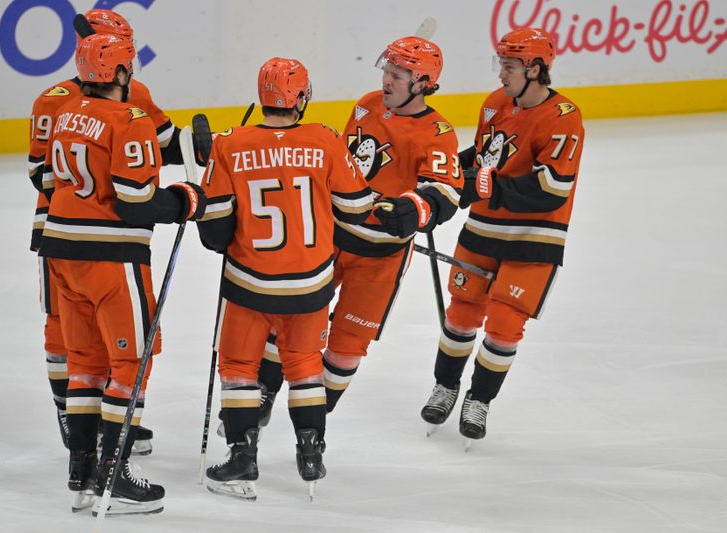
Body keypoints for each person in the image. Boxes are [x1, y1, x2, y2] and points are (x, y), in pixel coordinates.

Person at [39, 33, 206, 515]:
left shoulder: (66, 113)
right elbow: (136, 203)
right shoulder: (129, 119)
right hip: (110, 257)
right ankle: (115, 477)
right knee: (130, 365)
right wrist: (186, 201)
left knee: (86, 364)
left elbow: (47, 180)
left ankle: (82, 474)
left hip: (61, 251)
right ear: (119, 74)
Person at [253, 36, 462, 421]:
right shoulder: (366, 105)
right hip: (330, 238)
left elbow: (446, 191)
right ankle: (264, 393)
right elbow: (340, 162)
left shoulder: (438, 132)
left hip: (381, 257)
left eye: (398, 74)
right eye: (387, 69)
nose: (387, 80)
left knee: (348, 345)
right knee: (288, 315)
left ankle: (313, 420)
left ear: (422, 82)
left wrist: (414, 207)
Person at [197, 57, 374, 500]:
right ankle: (310, 451)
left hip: (249, 283)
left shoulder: (231, 144)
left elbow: (213, 231)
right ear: (301, 97)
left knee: (239, 368)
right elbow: (356, 209)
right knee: (305, 366)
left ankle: (242, 458)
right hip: (311, 286)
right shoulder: (327, 140)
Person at [27, 9, 183, 455]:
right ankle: (80, 420)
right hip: (93, 233)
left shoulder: (116, 99)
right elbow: (46, 177)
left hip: (66, 229)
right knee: (75, 335)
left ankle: (105, 428)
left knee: (93, 343)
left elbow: (165, 144)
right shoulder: (56, 99)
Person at [420, 27, 585, 443]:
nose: (501, 75)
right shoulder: (495, 104)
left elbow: (552, 188)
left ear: (535, 69)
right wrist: (443, 174)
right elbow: (484, 157)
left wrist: (489, 186)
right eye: (501, 64)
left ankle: (480, 399)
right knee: (460, 315)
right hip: (483, 229)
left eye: (509, 66)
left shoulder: (564, 118)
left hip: (536, 237)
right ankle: (446, 386)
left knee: (504, 326)